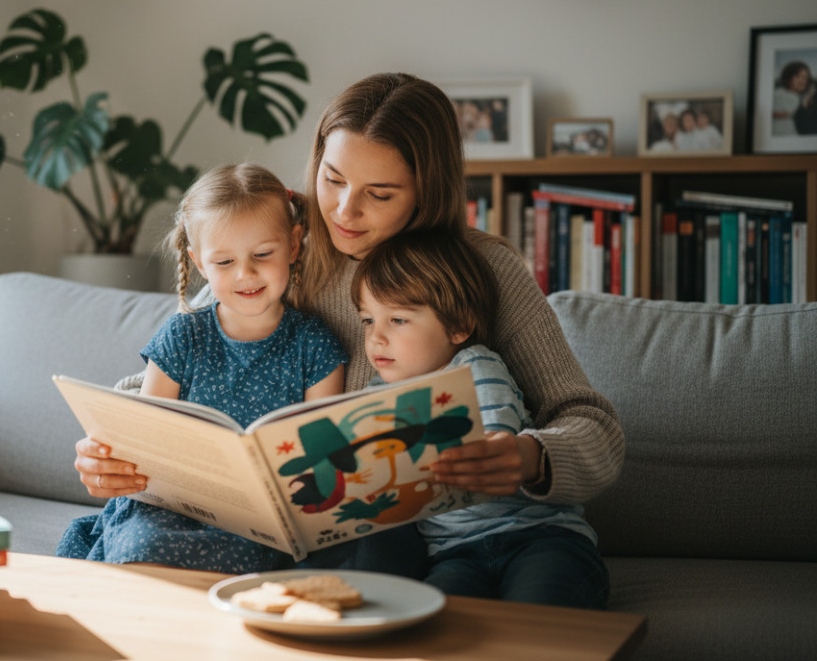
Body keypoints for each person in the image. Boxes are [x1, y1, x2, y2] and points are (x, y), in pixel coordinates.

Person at [73, 73, 624, 561]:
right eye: (332, 179)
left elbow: (590, 423)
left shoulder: (480, 269)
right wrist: (113, 444)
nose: (342, 211)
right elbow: (195, 352)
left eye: (378, 194)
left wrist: (531, 457)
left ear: (425, 192)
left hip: (417, 543)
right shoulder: (277, 248)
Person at [55, 162, 348, 574]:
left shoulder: (314, 345)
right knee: (144, 543)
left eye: (263, 255)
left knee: (271, 562)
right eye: (224, 262)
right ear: (198, 262)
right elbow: (148, 440)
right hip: (171, 510)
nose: (245, 274)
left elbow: (323, 454)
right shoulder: (182, 336)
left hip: (262, 524)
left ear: (294, 244)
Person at [352, 230, 608, 608]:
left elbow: (490, 443)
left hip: (540, 537)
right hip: (454, 553)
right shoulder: (373, 398)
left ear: (458, 326)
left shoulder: (475, 367)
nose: (377, 338)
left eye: (398, 320)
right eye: (368, 320)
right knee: (438, 621)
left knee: (539, 609)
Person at [773, 60, 815, 136]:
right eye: (797, 76)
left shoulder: (795, 95)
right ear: (789, 77)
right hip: (781, 132)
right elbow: (775, 114)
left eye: (805, 78)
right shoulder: (780, 94)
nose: (802, 81)